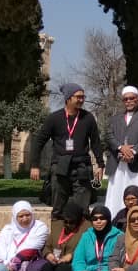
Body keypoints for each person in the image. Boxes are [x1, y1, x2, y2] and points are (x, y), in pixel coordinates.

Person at [29, 83, 104, 220]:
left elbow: (95, 142)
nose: (82, 100)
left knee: (83, 209)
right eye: (78, 97)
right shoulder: (54, 118)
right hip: (60, 166)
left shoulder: (88, 118)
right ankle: (58, 232)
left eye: (83, 97)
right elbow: (39, 141)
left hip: (82, 166)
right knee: (58, 208)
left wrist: (100, 164)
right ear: (68, 98)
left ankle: (82, 233)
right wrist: (34, 165)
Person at [104, 86, 138, 217]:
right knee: (116, 194)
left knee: (136, 193)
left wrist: (133, 152)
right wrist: (121, 148)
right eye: (126, 99)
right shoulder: (115, 118)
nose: (129, 101)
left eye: (132, 98)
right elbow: (108, 135)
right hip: (117, 163)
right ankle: (114, 219)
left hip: (136, 163)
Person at [0, 201, 50, 271]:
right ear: (15, 217)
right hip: (6, 263)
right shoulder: (8, 229)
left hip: (25, 261)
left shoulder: (39, 227)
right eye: (21, 216)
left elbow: (31, 247)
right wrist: (2, 264)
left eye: (27, 215)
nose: (25, 219)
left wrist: (12, 264)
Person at [72, 205, 121, 271]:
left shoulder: (119, 236)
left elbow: (118, 262)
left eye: (102, 218)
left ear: (108, 219)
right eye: (95, 219)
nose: (98, 221)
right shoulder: (86, 236)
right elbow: (78, 260)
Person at [42, 201, 84, 271]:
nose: (68, 224)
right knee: (46, 268)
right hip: (55, 260)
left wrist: (71, 255)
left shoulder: (84, 230)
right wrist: (48, 254)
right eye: (65, 221)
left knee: (62, 270)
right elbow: (47, 246)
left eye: (72, 222)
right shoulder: (57, 226)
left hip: (72, 262)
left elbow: (85, 248)